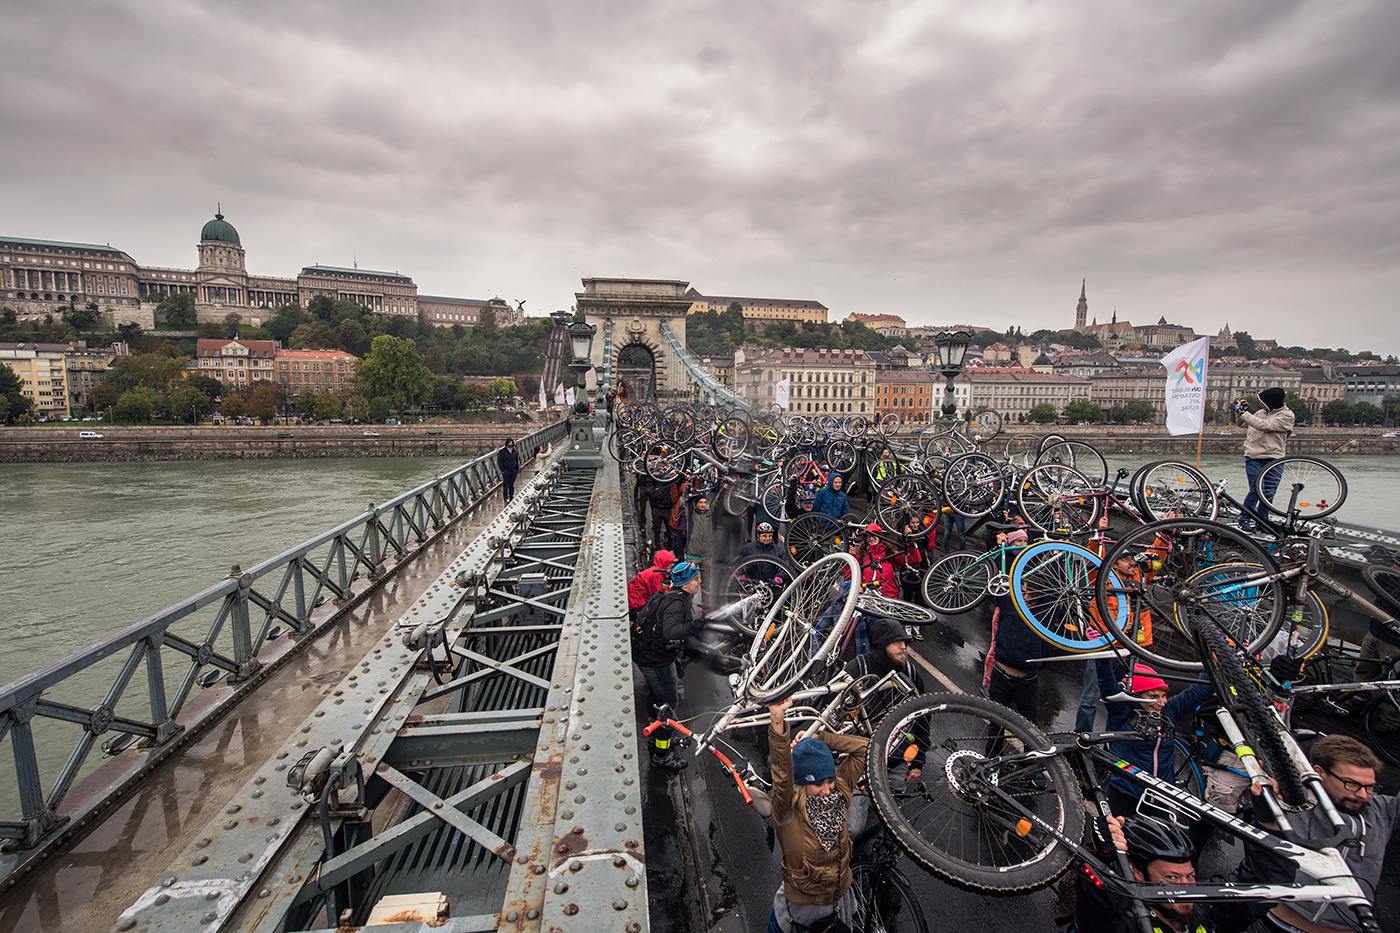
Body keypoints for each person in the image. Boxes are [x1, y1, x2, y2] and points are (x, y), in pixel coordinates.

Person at [1239, 734, 1397, 933]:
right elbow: (1266, 825)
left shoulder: (1383, 810)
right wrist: (1265, 796)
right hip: (1276, 925)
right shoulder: (1295, 799)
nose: (1363, 794)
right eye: (1352, 784)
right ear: (1319, 773)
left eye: (1370, 787)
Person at [765, 696, 870, 933]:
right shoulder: (788, 810)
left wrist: (821, 739)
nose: (827, 790)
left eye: (830, 780)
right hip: (799, 918)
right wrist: (778, 721)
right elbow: (782, 774)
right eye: (819, 784)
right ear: (802, 783)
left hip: (835, 907)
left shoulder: (839, 790)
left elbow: (866, 749)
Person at [1073, 815, 1242, 933]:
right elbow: (1097, 907)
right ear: (1138, 874)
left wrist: (1267, 823)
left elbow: (1254, 877)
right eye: (1172, 877)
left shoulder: (1206, 906)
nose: (1185, 886)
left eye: (1190, 876)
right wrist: (1101, 859)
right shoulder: (1127, 922)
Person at [1097, 663, 1213, 817]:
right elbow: (1106, 683)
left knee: (1156, 839)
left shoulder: (1169, 711)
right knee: (1118, 838)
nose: (1161, 702)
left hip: (1161, 795)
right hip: (1126, 793)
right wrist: (1101, 651)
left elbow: (1201, 690)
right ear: (1136, 696)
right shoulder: (1121, 712)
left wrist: (1215, 660)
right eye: (1153, 696)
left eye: (1163, 695)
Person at [633, 561, 704, 773]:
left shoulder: (669, 595)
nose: (699, 582)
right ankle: (661, 754)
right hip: (656, 660)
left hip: (646, 654)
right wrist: (697, 626)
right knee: (668, 704)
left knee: (657, 699)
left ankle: (655, 734)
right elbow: (672, 632)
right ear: (684, 584)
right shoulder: (677, 603)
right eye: (695, 579)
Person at [1235, 387, 1295, 530]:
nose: (1261, 405)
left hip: (1274, 459)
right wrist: (1240, 412)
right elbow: (1242, 423)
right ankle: (1244, 519)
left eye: (1263, 402)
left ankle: (1262, 522)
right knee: (1256, 490)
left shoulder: (1287, 415)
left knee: (1268, 493)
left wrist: (1245, 413)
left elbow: (1264, 425)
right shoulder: (1260, 413)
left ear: (1271, 402)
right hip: (1254, 456)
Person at [626, 549, 676, 624]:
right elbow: (657, 595)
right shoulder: (655, 575)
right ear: (665, 562)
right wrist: (671, 588)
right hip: (636, 606)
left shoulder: (656, 571)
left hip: (634, 602)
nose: (673, 565)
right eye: (670, 562)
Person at [496, 438, 520, 504]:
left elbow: (516, 460)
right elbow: (499, 462)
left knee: (511, 484)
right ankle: (506, 498)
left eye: (512, 444)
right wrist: (503, 470)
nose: (511, 446)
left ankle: (511, 496)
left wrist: (517, 469)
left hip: (513, 470)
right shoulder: (502, 452)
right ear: (507, 444)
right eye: (509, 444)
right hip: (506, 471)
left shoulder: (515, 451)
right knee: (505, 485)